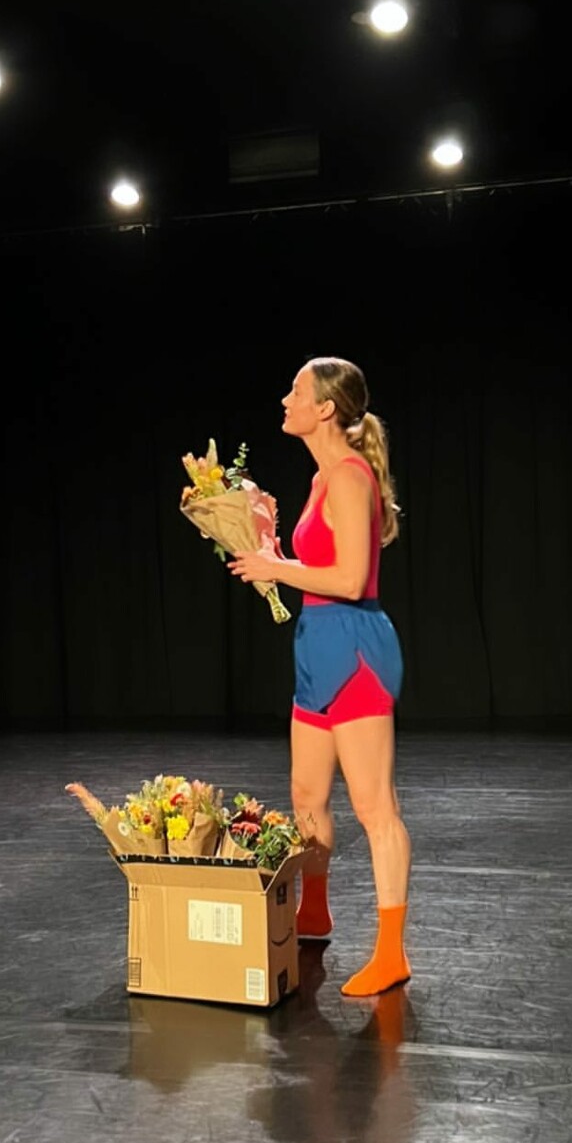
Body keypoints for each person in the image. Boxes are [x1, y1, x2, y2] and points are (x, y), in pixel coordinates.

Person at [228, 358, 411, 998]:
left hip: (354, 647)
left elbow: (351, 580)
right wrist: (265, 548)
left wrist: (276, 570)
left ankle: (391, 952)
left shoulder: (351, 477)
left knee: (374, 807)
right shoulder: (318, 478)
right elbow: (315, 564)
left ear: (325, 408)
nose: (286, 400)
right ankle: (313, 911)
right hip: (316, 645)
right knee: (306, 794)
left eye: (297, 391)